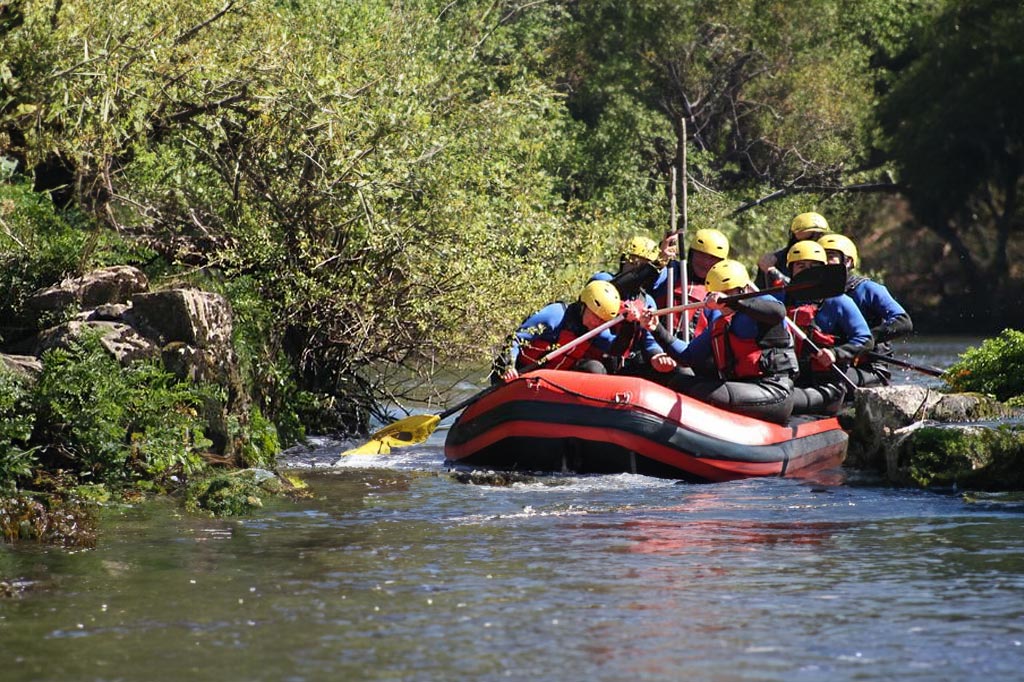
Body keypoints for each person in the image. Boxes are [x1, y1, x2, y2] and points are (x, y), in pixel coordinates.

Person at [632, 259, 799, 424]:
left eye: (728, 292)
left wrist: (734, 301)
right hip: (742, 389)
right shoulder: (720, 323)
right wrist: (656, 328)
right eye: (718, 293)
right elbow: (687, 356)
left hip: (774, 391)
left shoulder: (764, 304)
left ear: (744, 289)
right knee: (679, 381)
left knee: (697, 390)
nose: (722, 299)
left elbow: (778, 312)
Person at [493, 280, 674, 383]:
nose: (598, 323)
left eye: (603, 321)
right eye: (596, 317)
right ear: (583, 305)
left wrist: (628, 325)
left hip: (552, 382)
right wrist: (508, 366)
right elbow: (515, 340)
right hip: (518, 375)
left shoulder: (593, 329)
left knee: (595, 368)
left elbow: (616, 350)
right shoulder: (555, 316)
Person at [782, 241, 873, 415]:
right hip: (791, 381)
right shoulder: (781, 299)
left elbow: (866, 340)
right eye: (801, 266)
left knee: (779, 399)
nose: (808, 271)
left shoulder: (838, 301)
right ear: (791, 270)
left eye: (813, 266)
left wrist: (835, 353)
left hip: (827, 387)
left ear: (823, 270)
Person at [817, 234, 913, 387]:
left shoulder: (868, 289)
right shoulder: (815, 295)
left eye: (831, 256)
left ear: (848, 261)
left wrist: (865, 340)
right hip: (832, 363)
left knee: (828, 379)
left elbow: (903, 322)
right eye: (821, 257)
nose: (825, 261)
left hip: (870, 368)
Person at [590, 235, 677, 377]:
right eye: (633, 263)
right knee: (595, 368)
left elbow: (650, 341)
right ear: (623, 262)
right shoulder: (602, 281)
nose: (636, 270)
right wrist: (658, 262)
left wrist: (656, 356)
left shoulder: (647, 301)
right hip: (595, 356)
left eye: (642, 266)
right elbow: (619, 287)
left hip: (624, 361)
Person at [652, 228, 729, 338]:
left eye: (713, 258)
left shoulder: (722, 289)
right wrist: (661, 258)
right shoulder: (672, 270)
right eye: (701, 255)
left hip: (692, 350)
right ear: (691, 254)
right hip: (657, 342)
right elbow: (654, 277)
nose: (705, 262)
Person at [755, 211, 831, 289]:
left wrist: (775, 273)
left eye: (814, 239)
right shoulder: (775, 261)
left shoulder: (834, 258)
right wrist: (771, 270)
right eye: (800, 241)